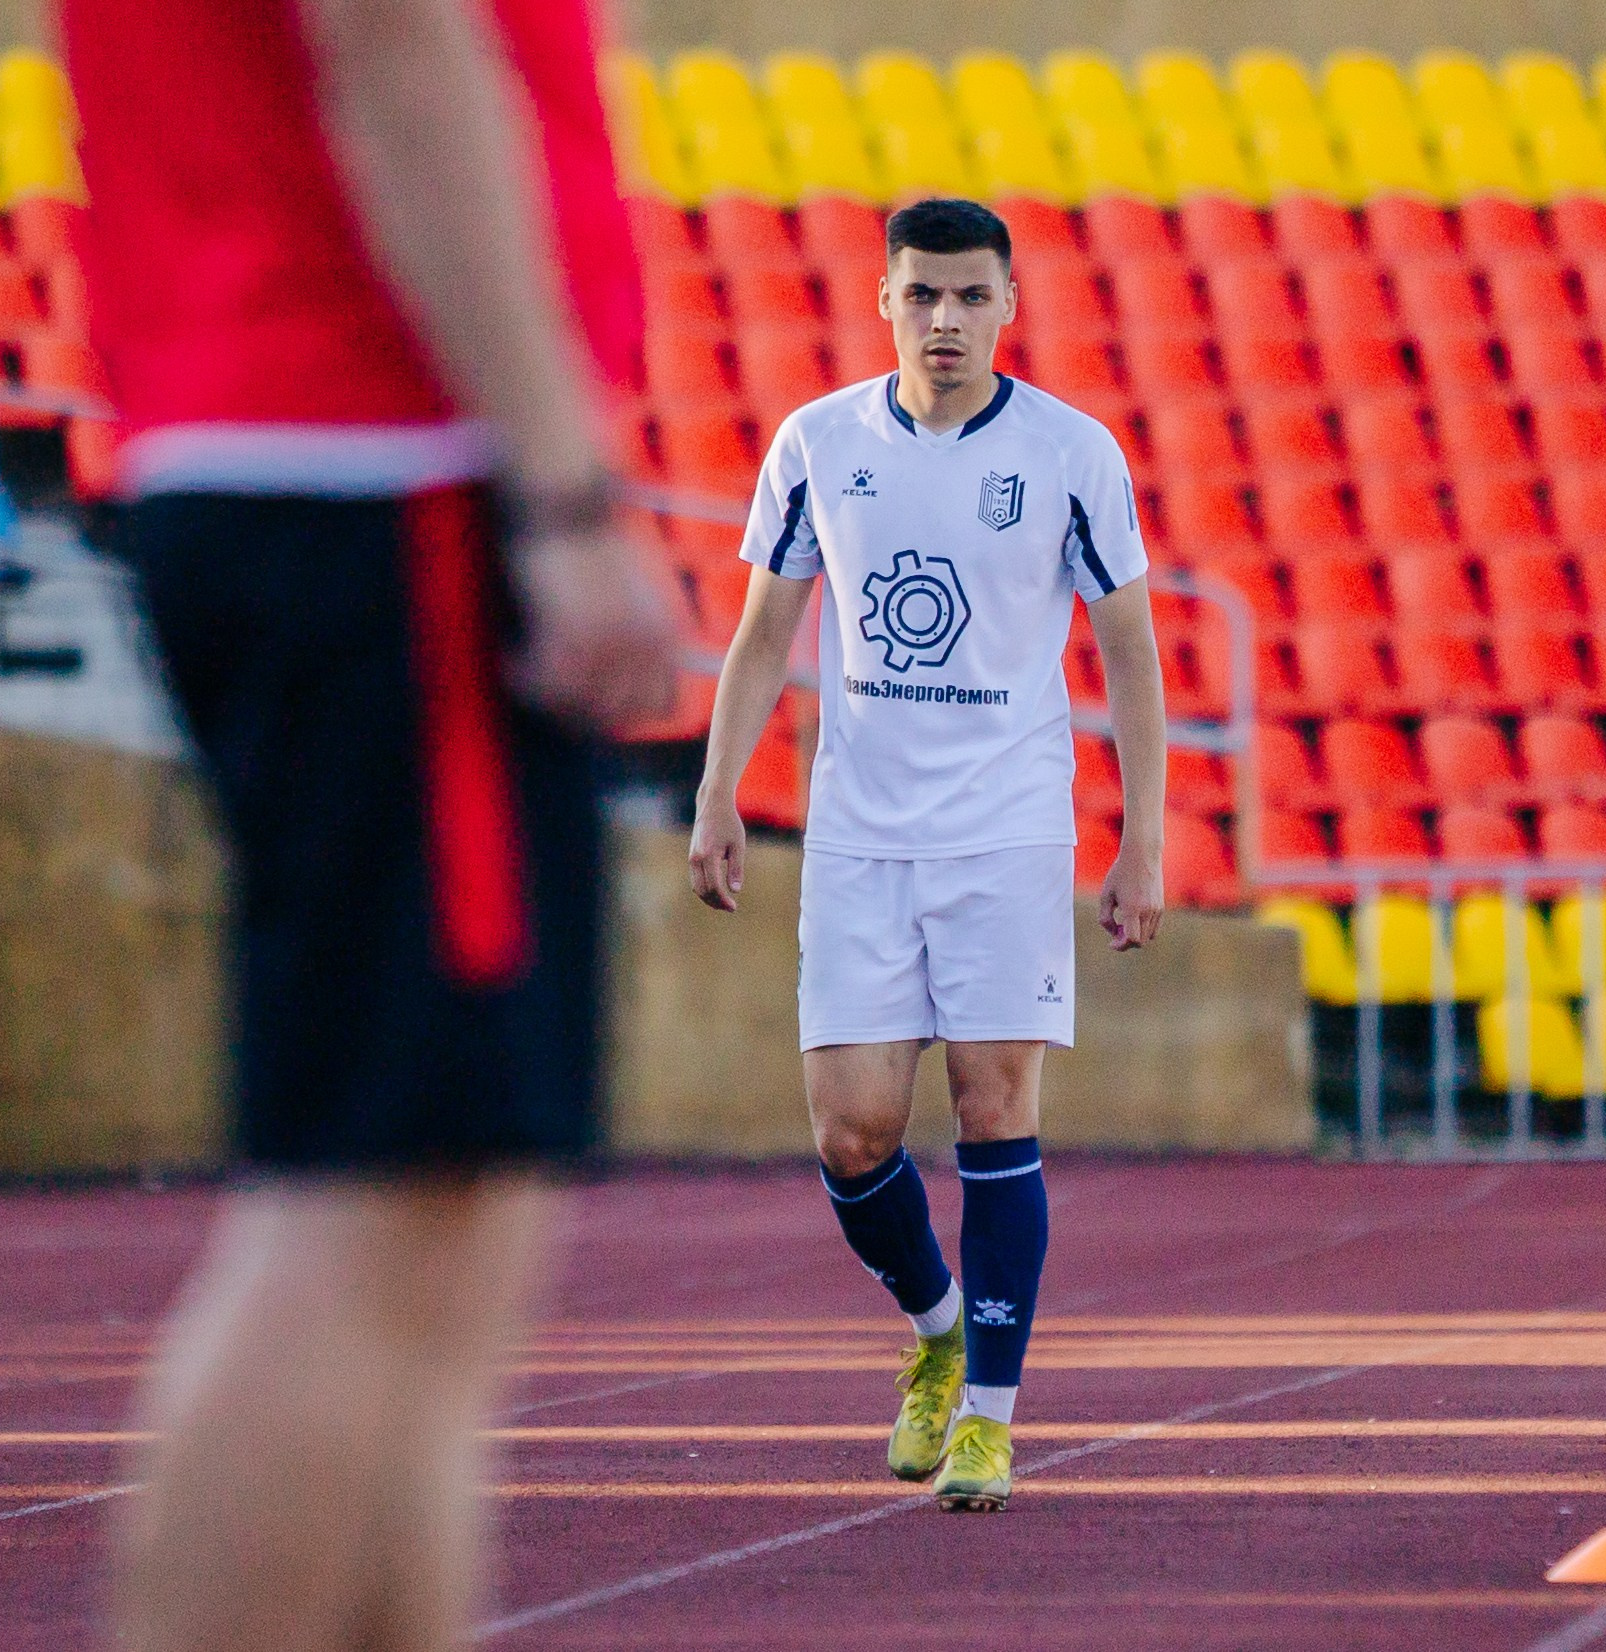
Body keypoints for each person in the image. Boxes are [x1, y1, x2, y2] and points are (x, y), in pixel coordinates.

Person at [57, 0, 675, 1644]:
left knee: (437, 1215)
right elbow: (394, 37)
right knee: (373, 1210)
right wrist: (562, 488)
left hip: (327, 447)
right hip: (371, 451)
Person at [687, 197, 1167, 1513]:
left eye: (969, 296)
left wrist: (1141, 840)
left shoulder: (1072, 455)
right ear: (883, 302)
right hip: (857, 835)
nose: (944, 318)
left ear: (1009, 304)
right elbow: (761, 633)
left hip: (1005, 832)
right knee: (850, 1133)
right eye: (921, 295)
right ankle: (938, 1325)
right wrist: (717, 793)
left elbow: (1128, 650)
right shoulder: (816, 443)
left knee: (994, 1113)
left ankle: (990, 1421)